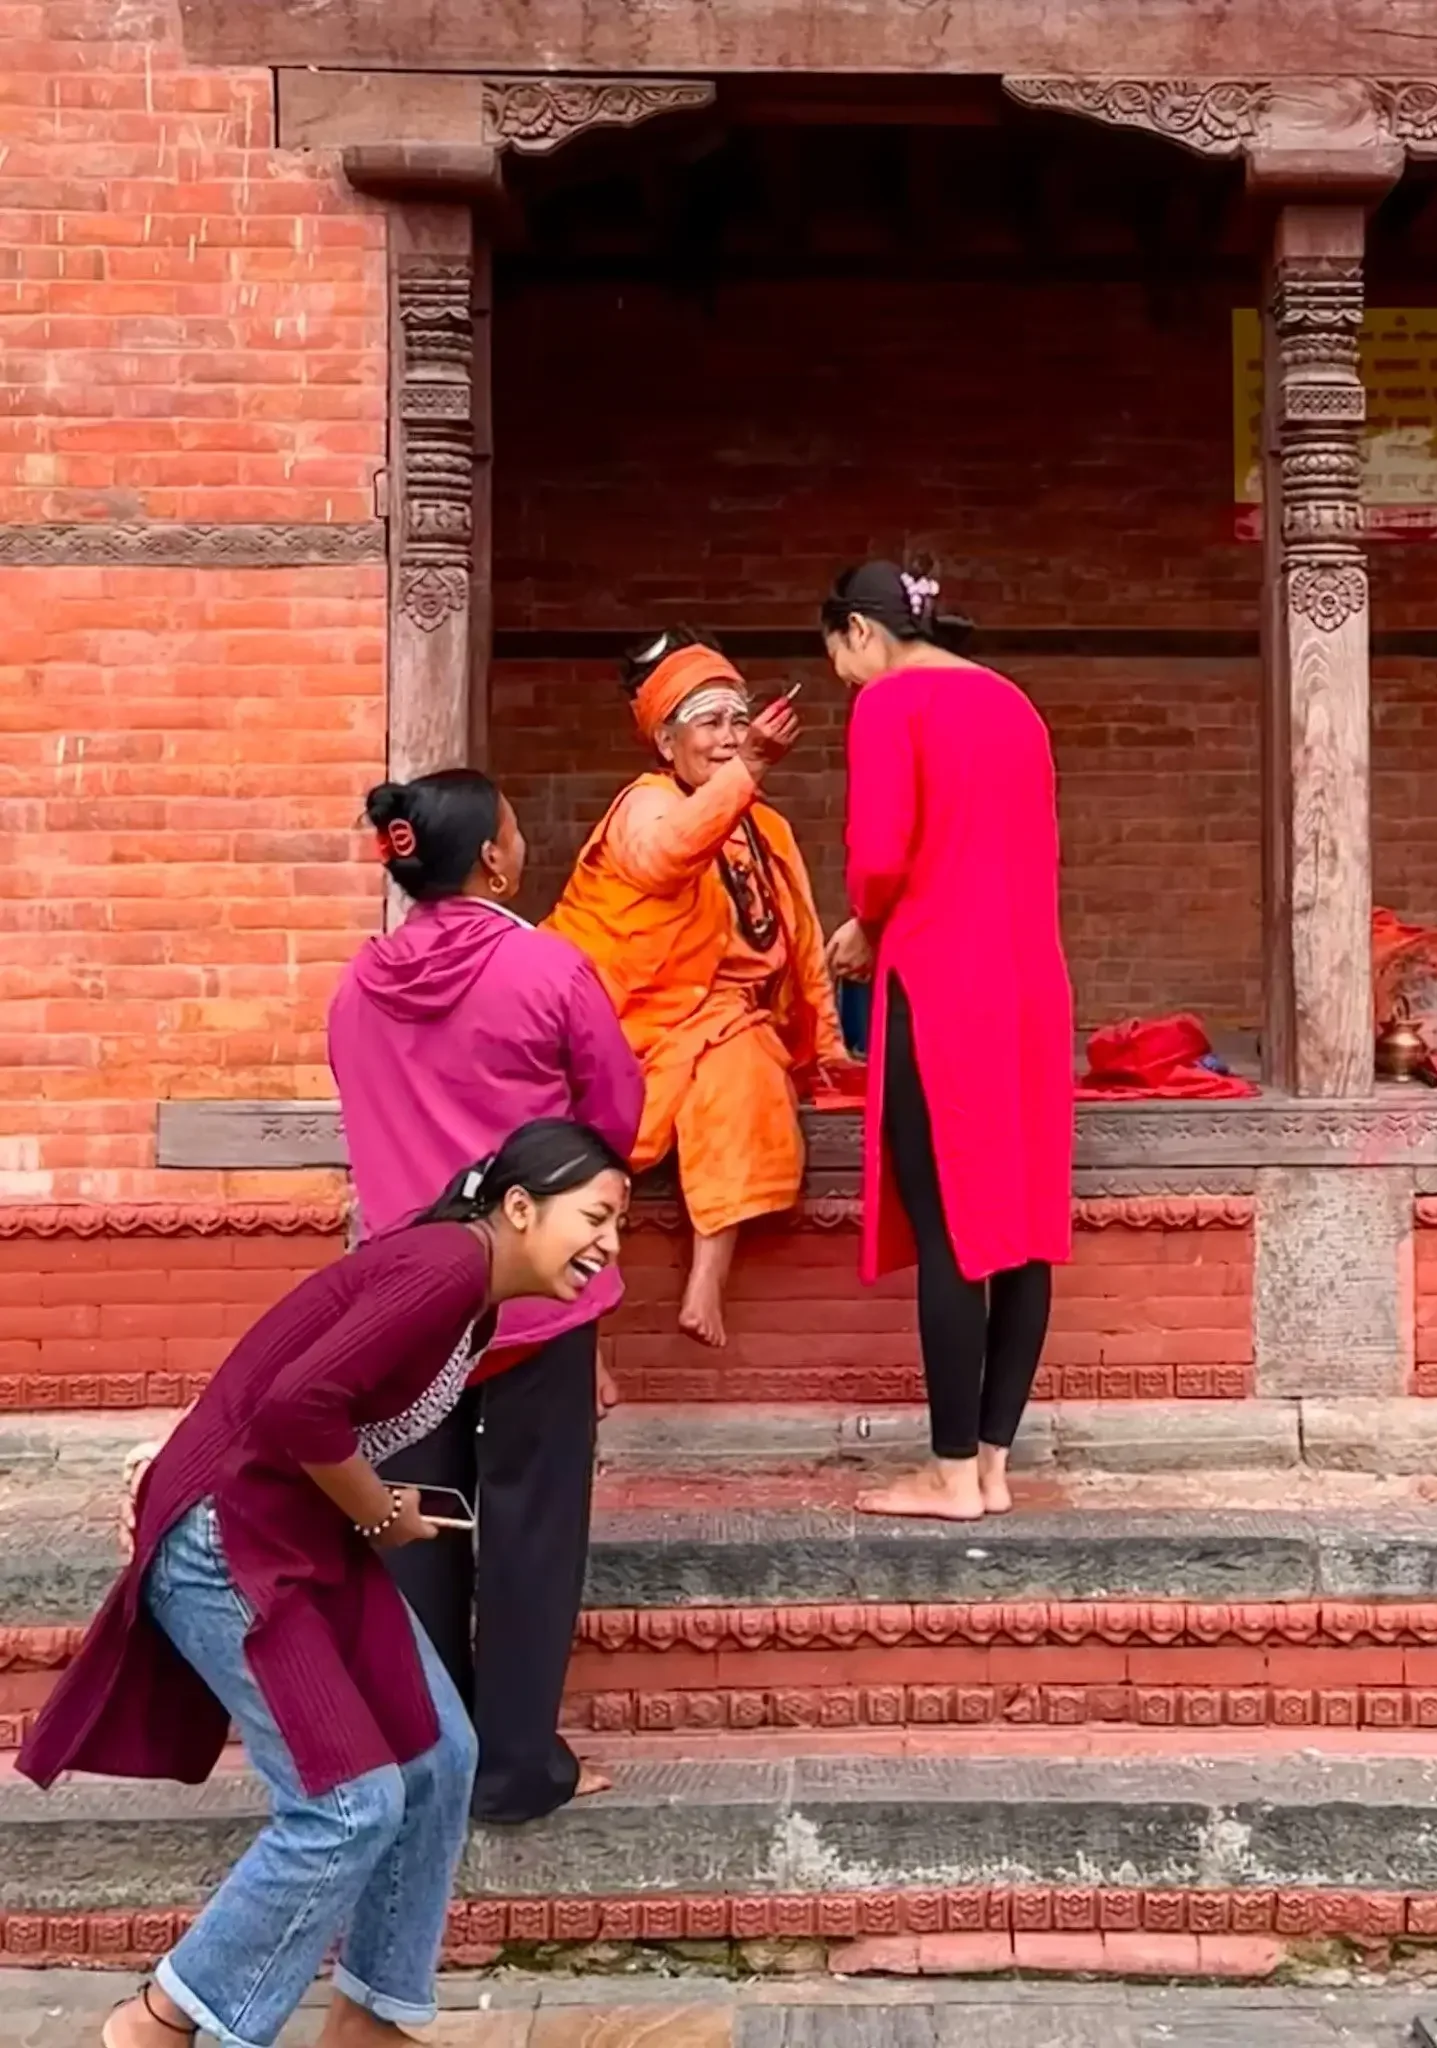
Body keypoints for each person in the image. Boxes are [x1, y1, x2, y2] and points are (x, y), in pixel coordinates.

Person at [20, 1121, 631, 2048]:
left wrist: (219, 1452)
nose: (611, 1245)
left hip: (301, 1533)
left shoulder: (469, 1292)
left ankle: (369, 2019)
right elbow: (298, 1402)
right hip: (233, 1543)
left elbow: (293, 1352)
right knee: (349, 1804)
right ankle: (162, 2020)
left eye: (619, 1225)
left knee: (440, 1759)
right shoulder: (447, 1271)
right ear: (519, 1206)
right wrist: (378, 1514)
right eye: (596, 1216)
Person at [327, 767, 644, 1823]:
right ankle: (513, 1768)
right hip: (532, 1294)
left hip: (406, 1303)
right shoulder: (550, 969)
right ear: (496, 858)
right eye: (514, 828)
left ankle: (428, 1760)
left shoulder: (357, 986)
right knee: (530, 1526)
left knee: (413, 1524)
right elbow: (613, 1118)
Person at [822, 562, 1073, 1522]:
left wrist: (862, 921)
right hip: (1028, 988)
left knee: (951, 1231)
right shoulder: (1013, 702)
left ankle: (952, 1473)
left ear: (858, 631)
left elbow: (882, 855)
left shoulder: (893, 704)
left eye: (840, 655)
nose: (845, 675)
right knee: (1018, 1229)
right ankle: (996, 1464)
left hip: (940, 983)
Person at [546, 628, 847, 1348]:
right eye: (709, 724)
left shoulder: (764, 824)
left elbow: (802, 941)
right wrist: (746, 770)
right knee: (590, 1159)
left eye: (739, 721)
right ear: (665, 744)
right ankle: (580, 1345)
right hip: (632, 1023)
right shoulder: (643, 805)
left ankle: (705, 1280)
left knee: (743, 1080)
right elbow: (662, 862)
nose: (727, 739)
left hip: (725, 1022)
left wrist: (826, 1044)